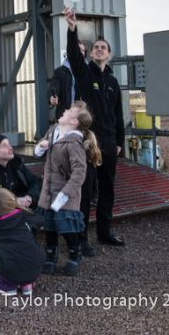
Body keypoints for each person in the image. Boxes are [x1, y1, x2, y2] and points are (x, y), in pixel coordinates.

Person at [64, 6, 125, 249]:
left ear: (109, 55)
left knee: (107, 189)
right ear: (90, 54)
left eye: (103, 47)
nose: (99, 49)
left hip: (109, 143)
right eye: (96, 47)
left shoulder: (112, 81)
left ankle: (104, 232)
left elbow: (119, 114)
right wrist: (72, 28)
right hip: (88, 141)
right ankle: (81, 238)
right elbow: (73, 54)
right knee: (85, 190)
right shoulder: (84, 75)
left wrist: (120, 141)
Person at [35, 101, 102, 275]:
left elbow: (79, 172)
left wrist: (65, 195)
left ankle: (75, 253)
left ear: (74, 122)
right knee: (49, 225)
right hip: (47, 190)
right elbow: (41, 146)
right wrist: (41, 146)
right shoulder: (54, 130)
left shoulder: (74, 143)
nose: (64, 111)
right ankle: (51, 257)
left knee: (66, 226)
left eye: (69, 112)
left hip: (64, 193)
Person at [0, 187, 45, 296]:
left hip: (10, 270)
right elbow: (40, 220)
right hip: (35, 267)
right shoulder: (23, 216)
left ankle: (7, 286)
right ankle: (26, 285)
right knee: (27, 244)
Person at [48, 42, 87, 122]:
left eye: (83, 50)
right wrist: (52, 98)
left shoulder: (89, 71)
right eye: (78, 49)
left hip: (84, 116)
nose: (81, 52)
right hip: (65, 116)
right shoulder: (60, 71)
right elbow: (54, 87)